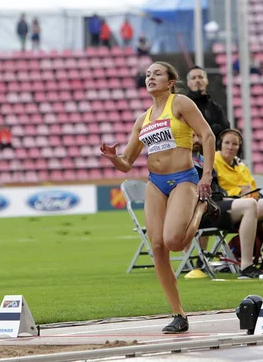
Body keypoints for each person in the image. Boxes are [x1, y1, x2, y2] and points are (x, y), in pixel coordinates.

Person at [100, 61, 219, 333]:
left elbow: (208, 136)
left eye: (156, 74)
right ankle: (178, 314)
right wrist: (112, 158)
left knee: (175, 241)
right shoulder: (142, 120)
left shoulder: (180, 104)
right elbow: (127, 162)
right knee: (157, 246)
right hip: (155, 183)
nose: (150, 77)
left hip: (184, 179)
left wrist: (207, 175)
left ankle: (201, 208)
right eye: (147, 75)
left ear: (170, 81)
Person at [212, 129, 263, 277]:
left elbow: (252, 189)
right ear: (220, 144)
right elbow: (217, 191)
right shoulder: (211, 161)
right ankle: (246, 266)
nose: (230, 147)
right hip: (224, 205)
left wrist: (248, 192)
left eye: (235, 144)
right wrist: (240, 191)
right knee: (257, 203)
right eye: (227, 143)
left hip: (247, 202)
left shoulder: (241, 167)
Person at [186, 66, 230, 147]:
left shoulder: (215, 107)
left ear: (207, 81)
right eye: (193, 78)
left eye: (200, 77)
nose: (197, 80)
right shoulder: (183, 105)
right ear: (188, 83)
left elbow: (225, 129)